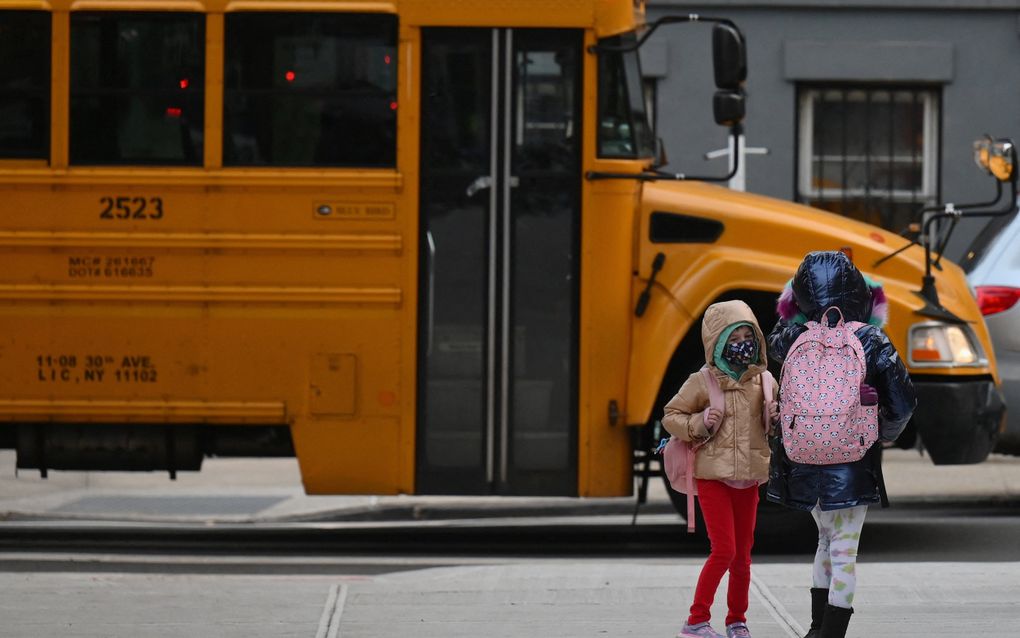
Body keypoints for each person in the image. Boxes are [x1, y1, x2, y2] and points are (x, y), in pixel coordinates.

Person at [766, 251, 916, 638]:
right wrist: (883, 431)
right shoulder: (869, 338)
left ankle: (816, 629)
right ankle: (831, 635)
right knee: (845, 550)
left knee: (823, 541)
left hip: (802, 459)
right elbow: (903, 402)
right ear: (857, 293)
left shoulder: (788, 338)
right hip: (852, 459)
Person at [662, 300, 778, 638]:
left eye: (748, 334)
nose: (743, 342)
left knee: (743, 556)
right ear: (718, 342)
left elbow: (775, 426)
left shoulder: (765, 381)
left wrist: (774, 417)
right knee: (724, 550)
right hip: (712, 477)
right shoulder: (702, 382)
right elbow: (672, 416)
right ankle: (696, 620)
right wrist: (699, 422)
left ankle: (736, 621)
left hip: (748, 478)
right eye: (734, 335)